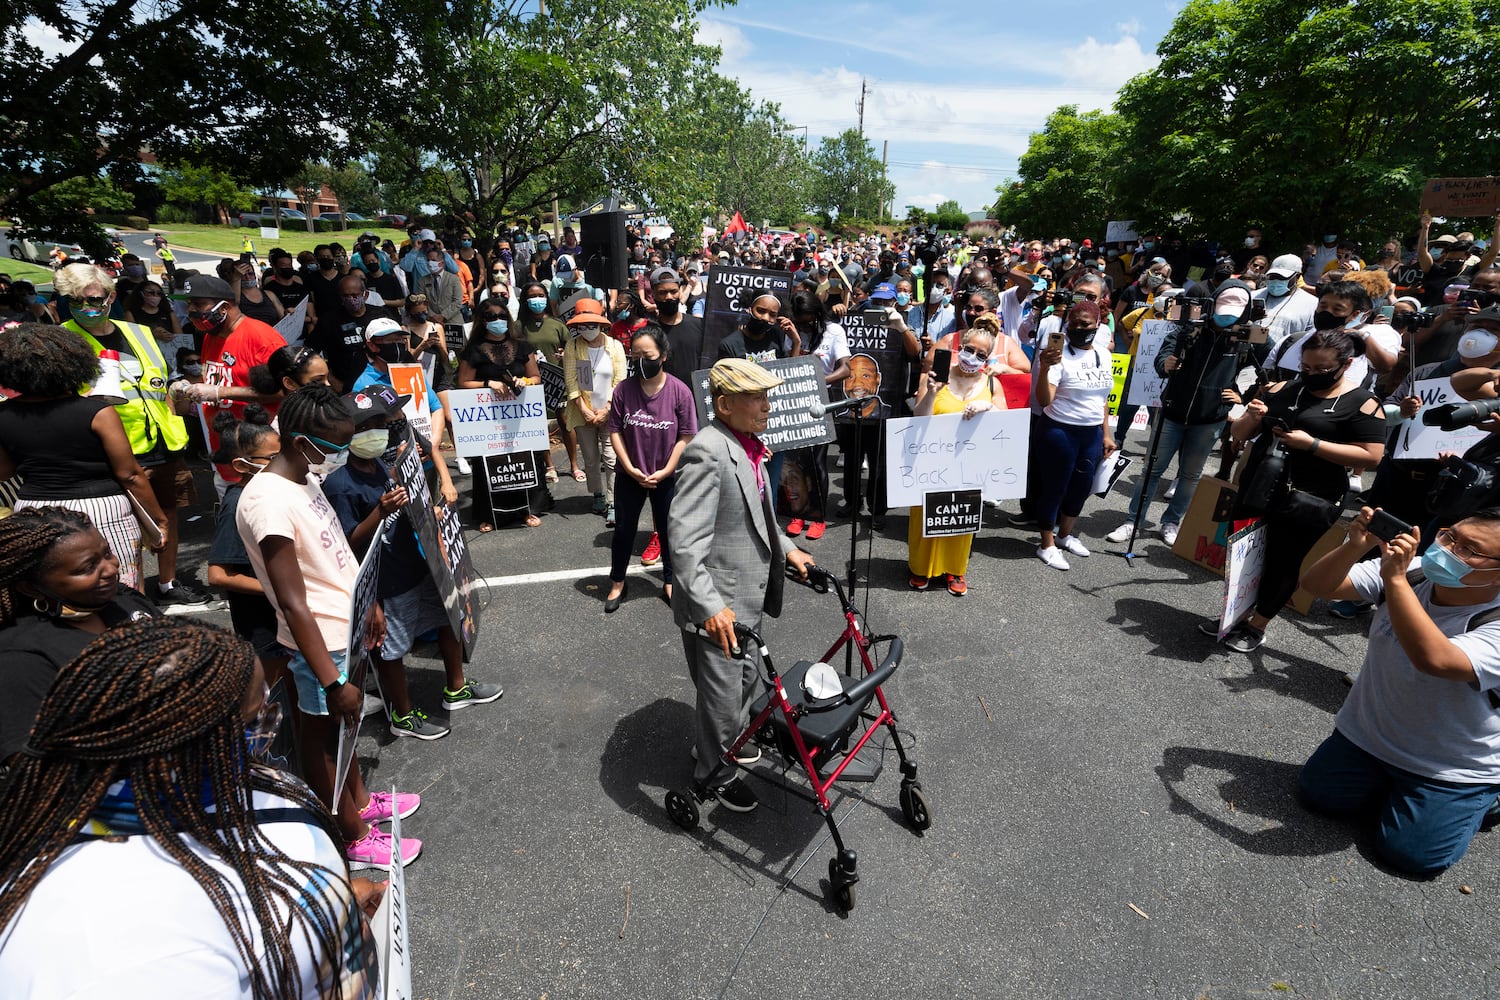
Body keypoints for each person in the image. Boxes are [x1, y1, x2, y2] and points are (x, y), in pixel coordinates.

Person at [0, 619, 384, 997]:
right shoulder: (115, 945)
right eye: (255, 721)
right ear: (175, 746)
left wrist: (334, 908)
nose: (271, 725)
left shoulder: (221, 785)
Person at [236, 383, 422, 868]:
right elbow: (294, 603)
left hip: (347, 628)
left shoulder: (305, 478)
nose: (343, 450)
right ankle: (350, 833)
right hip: (320, 644)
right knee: (320, 742)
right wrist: (332, 679)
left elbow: (338, 552)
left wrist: (369, 605)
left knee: (344, 733)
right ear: (301, 441)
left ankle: (359, 801)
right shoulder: (267, 502)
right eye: (337, 442)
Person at [1297, 506, 1500, 877]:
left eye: (1471, 549)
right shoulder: (1416, 569)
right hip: (1373, 738)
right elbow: (1317, 585)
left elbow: (1435, 659)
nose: (1450, 550)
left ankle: (1487, 798)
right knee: (1318, 795)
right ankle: (1398, 790)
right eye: (1450, 536)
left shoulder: (1487, 616)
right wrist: (1354, 547)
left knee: (1409, 854)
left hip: (1453, 765)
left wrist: (1394, 580)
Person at [670, 358, 816, 812]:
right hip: (721, 606)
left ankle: (722, 743)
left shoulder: (747, 445)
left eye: (767, 397)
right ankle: (713, 772)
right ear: (725, 404)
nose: (767, 406)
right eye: (757, 398)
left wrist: (789, 549)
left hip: (746, 597)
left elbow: (759, 512)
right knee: (721, 694)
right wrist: (709, 606)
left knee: (744, 680)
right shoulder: (707, 451)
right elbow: (684, 540)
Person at [324, 387, 501, 738]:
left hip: (419, 563)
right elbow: (346, 543)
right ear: (349, 434)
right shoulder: (340, 485)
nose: (381, 429)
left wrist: (427, 512)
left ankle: (456, 689)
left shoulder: (378, 464)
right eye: (370, 425)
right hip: (388, 580)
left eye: (381, 422)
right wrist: (381, 511)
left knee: (447, 619)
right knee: (392, 648)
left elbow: (407, 499)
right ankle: (402, 716)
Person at [1209, 330, 1387, 652]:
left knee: (1282, 561)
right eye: (1305, 367)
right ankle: (1233, 614)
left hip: (1310, 496)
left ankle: (1257, 624)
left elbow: (1372, 456)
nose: (1310, 374)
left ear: (1345, 365)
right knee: (1245, 553)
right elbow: (1238, 433)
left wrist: (1313, 444)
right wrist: (1251, 416)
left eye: (1320, 369)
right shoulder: (1284, 388)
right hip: (1261, 484)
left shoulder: (1363, 404)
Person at [54, 264, 200, 603]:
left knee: (169, 515)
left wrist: (177, 407)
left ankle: (167, 583)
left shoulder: (139, 332)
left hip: (165, 441)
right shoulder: (63, 340)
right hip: (116, 449)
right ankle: (128, 594)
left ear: (111, 296)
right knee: (124, 528)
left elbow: (158, 383)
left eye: (92, 299)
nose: (85, 307)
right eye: (74, 300)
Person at [0, 322, 169, 591]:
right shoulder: (97, 412)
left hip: (35, 513)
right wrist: (158, 519)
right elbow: (130, 474)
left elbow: (5, 472)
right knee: (119, 591)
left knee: (56, 595)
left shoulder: (4, 416)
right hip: (104, 510)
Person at [1106, 279, 1265, 547]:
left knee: (1190, 475)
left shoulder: (1249, 338)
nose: (1226, 317)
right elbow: (1162, 357)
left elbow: (1266, 375)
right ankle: (1133, 520)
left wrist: (1242, 396)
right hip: (1172, 412)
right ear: (1212, 303)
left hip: (1210, 418)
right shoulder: (1189, 330)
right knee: (1152, 469)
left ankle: (1171, 521)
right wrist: (1165, 364)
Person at [0, 506, 161, 764]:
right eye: (88, 567)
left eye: (106, 553)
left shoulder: (124, 601)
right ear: (30, 588)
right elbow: (32, 767)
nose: (110, 569)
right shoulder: (19, 657)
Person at [907, 324, 1006, 595]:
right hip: (932, 463)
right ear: (958, 348)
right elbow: (919, 417)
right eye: (968, 349)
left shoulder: (991, 382)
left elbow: (1007, 423)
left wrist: (988, 406)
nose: (972, 356)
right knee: (928, 514)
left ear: (988, 359)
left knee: (961, 517)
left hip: (969, 466)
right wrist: (933, 392)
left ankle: (955, 569)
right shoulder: (934, 375)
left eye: (980, 354)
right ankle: (920, 568)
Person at [604, 326, 697, 611]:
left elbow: (686, 435)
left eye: (649, 355)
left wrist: (668, 469)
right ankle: (618, 580)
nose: (642, 360)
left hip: (666, 476)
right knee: (623, 531)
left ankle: (670, 580)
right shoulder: (623, 390)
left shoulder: (680, 391)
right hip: (629, 476)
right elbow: (615, 431)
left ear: (663, 356)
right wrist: (629, 468)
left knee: (670, 531)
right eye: (636, 355)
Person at [206, 407, 294, 701]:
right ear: (242, 465)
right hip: (261, 625)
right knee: (271, 694)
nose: (281, 463)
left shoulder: (271, 493)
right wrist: (278, 589)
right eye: (271, 458)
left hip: (283, 616)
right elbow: (218, 575)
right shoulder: (237, 504)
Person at [1030, 301, 1117, 571]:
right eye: (1074, 323)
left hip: (1090, 434)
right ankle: (1046, 545)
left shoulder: (1104, 354)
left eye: (1086, 324)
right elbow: (1044, 400)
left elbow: (1102, 399)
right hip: (1059, 431)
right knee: (1055, 489)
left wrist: (1106, 433)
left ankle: (1065, 536)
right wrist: (1044, 368)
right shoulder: (1059, 356)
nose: (1079, 328)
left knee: (1081, 487)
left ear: (1098, 325)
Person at [455, 306, 547, 530]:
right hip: (487, 419)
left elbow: (535, 376)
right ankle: (488, 514)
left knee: (521, 461)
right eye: (491, 317)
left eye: (502, 316)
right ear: (482, 321)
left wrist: (525, 382)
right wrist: (488, 383)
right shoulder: (473, 350)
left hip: (518, 416)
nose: (498, 320)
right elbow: (463, 382)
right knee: (489, 464)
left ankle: (525, 510)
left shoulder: (522, 346)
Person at [564, 299, 626, 524]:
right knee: (590, 458)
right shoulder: (573, 346)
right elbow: (571, 381)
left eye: (591, 324)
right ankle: (597, 493)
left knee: (611, 458)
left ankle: (613, 501)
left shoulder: (614, 346)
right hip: (583, 413)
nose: (587, 329)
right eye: (582, 325)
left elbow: (620, 379)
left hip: (611, 412)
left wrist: (608, 409)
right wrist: (584, 409)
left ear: (601, 324)